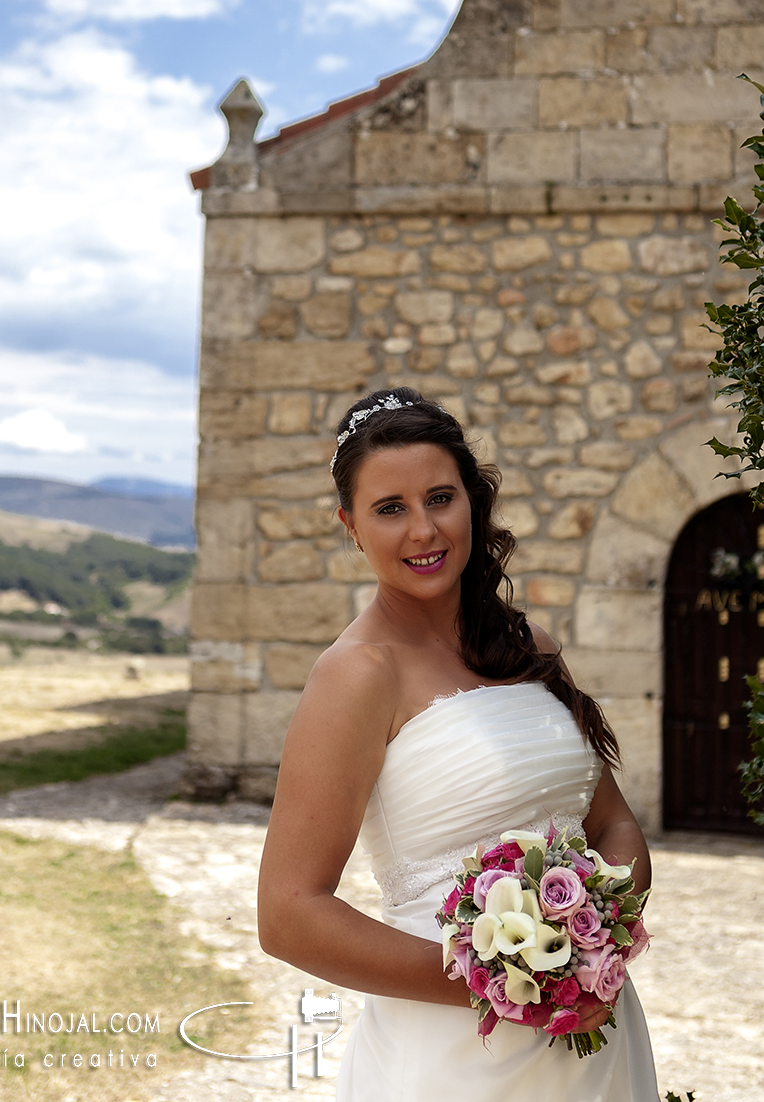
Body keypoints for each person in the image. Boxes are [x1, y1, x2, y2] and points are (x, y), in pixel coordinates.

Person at [257, 388, 658, 1100]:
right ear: (350, 525)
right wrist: (511, 984)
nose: (423, 530)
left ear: (472, 501)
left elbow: (611, 823)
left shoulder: (526, 646)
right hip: (453, 1057)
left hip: (596, 1032)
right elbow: (290, 913)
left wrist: (601, 937)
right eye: (390, 509)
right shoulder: (355, 677)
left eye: (440, 497)